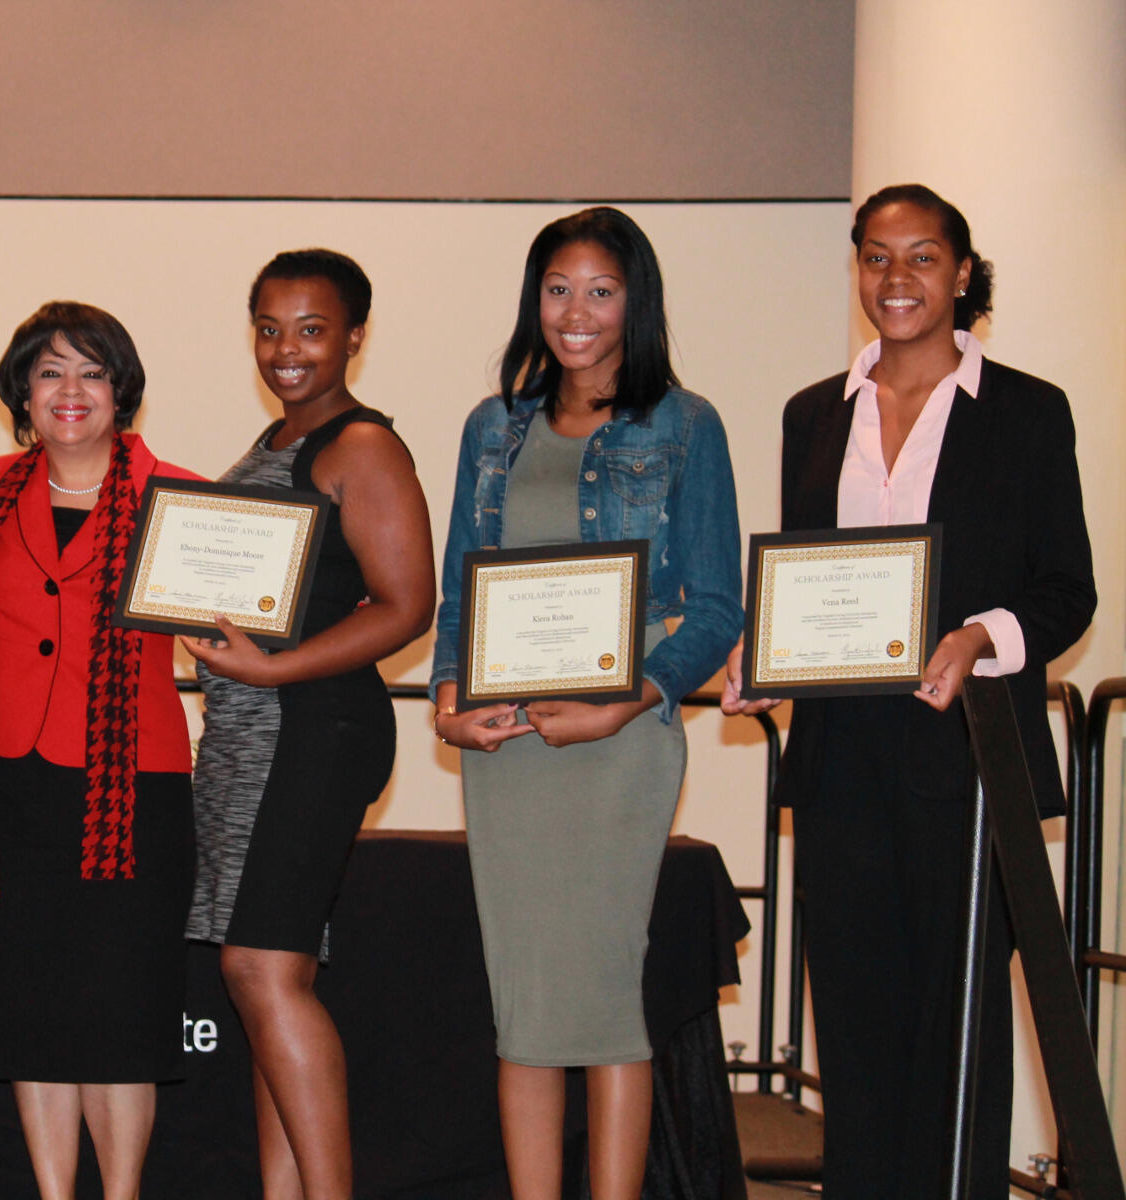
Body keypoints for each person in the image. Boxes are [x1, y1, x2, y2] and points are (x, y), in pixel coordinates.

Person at [723, 184, 1094, 1198]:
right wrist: (765, 653)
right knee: (852, 1020)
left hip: (968, 759)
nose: (897, 278)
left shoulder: (1025, 410)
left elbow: (1068, 588)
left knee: (955, 1027)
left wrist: (981, 637)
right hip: (843, 759)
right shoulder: (813, 413)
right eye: (876, 257)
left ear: (963, 273)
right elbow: (809, 580)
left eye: (923, 256)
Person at [430, 207, 742, 1200]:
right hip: (508, 741)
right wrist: (447, 700)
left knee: (605, 993)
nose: (576, 312)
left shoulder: (686, 424)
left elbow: (718, 605)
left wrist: (629, 701)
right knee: (524, 1000)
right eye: (558, 288)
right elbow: (457, 591)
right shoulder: (495, 425)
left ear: (634, 302)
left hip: (621, 741)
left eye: (601, 291)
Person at [185, 249, 435, 1200]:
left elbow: (407, 603)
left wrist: (276, 665)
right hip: (259, 735)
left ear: (356, 339)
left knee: (260, 969)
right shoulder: (278, 441)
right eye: (270, 327)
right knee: (265, 981)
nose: (287, 349)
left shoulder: (361, 445)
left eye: (313, 329)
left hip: (312, 732)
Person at [0, 301, 199, 1200]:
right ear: (22, 388)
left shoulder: (179, 497)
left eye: (91, 372)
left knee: (118, 1016)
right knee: (30, 1010)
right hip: (10, 789)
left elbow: (240, 629)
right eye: (50, 370)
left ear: (120, 390)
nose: (70, 391)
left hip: (131, 796)